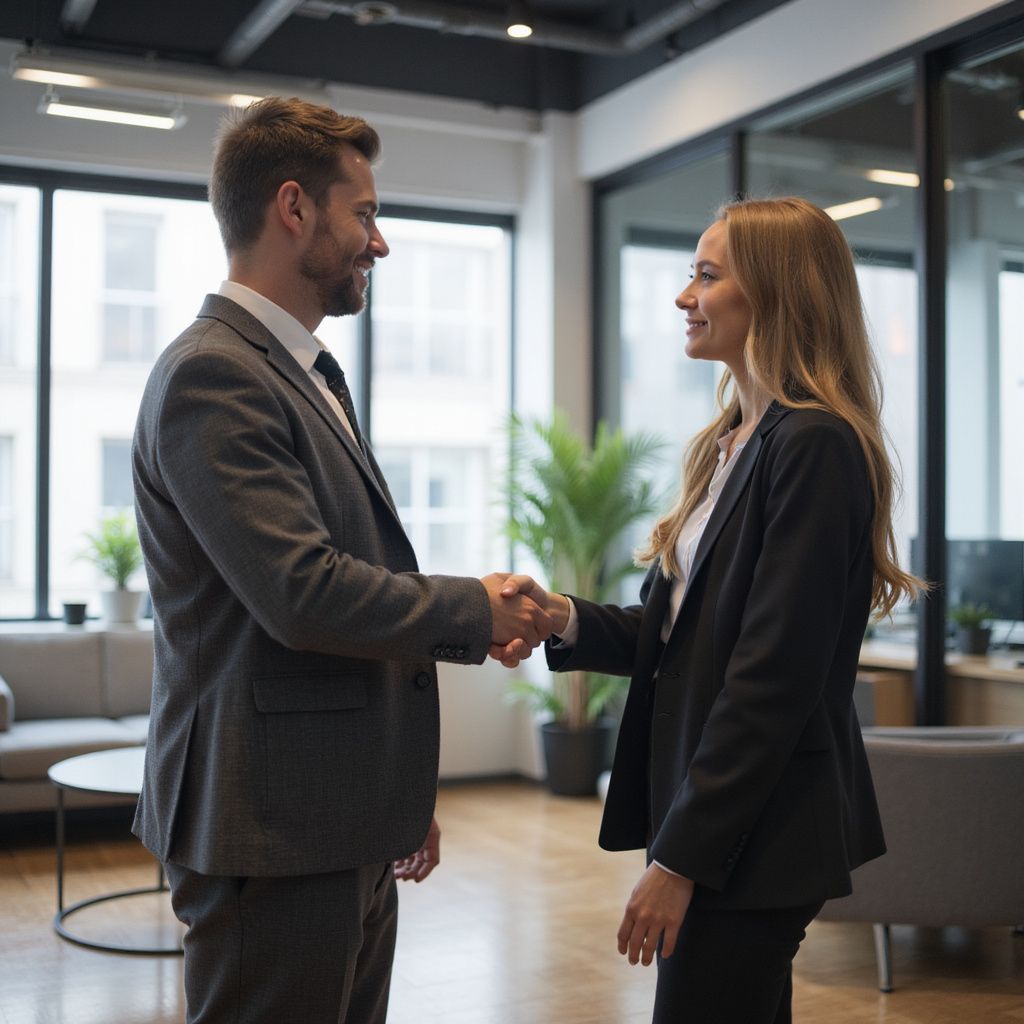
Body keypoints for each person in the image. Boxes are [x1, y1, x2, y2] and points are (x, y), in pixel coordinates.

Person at [131, 96, 550, 1024]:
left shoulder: (301, 369)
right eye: (364, 214)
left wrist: (390, 798)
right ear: (294, 209)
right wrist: (476, 609)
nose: (379, 242)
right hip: (271, 828)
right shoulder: (215, 374)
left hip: (331, 817)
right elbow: (302, 592)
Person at [495, 196, 921, 1023]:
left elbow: (771, 678)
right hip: (723, 818)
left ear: (774, 291)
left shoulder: (814, 444)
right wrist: (564, 620)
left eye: (706, 275)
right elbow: (687, 638)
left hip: (757, 831)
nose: (685, 297)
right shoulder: (732, 440)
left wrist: (680, 861)